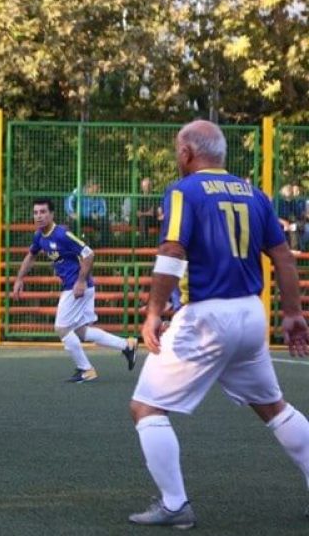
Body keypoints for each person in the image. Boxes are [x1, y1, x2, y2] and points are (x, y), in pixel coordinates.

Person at [128, 120, 309, 528]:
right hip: (249, 315)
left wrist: (153, 312)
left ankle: (175, 504)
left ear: (188, 153)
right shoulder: (255, 194)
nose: (178, 157)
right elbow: (282, 256)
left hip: (207, 316)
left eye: (178, 150)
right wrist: (294, 312)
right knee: (274, 407)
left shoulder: (183, 190)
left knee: (146, 406)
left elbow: (173, 250)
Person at [12, 199, 137, 382]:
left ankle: (86, 369)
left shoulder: (62, 234)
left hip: (77, 286)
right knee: (80, 331)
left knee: (61, 328)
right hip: (73, 287)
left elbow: (88, 253)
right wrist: (19, 278)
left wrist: (80, 281)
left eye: (43, 212)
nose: (39, 216)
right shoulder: (39, 236)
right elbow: (31, 255)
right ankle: (127, 345)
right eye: (36, 212)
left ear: (52, 214)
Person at [66, 178, 110, 245]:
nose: (97, 191)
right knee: (72, 222)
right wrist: (71, 212)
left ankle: (100, 244)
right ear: (88, 187)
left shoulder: (99, 194)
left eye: (97, 189)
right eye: (94, 189)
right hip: (78, 217)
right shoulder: (77, 191)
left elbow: (103, 209)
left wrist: (98, 214)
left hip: (92, 218)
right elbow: (68, 201)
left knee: (105, 222)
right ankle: (75, 243)